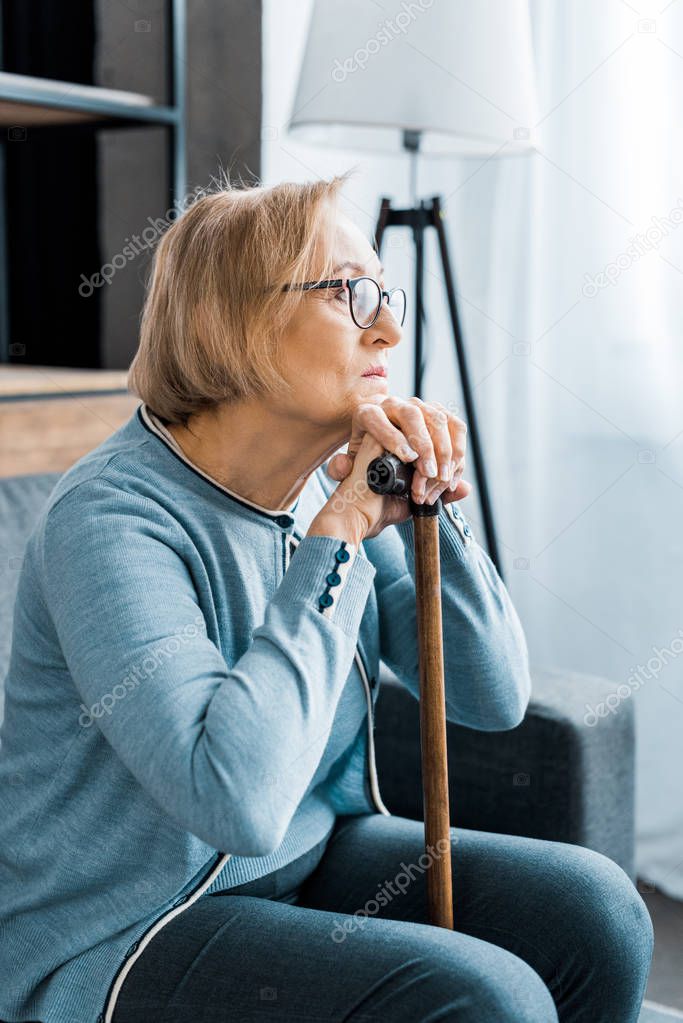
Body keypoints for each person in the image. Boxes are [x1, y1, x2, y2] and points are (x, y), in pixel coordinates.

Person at [0, 172, 653, 1023]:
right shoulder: (111, 519)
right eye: (350, 293)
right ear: (230, 318)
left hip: (306, 857)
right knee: (484, 998)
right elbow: (233, 800)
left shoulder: (317, 486)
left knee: (596, 913)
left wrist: (431, 507)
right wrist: (339, 536)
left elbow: (490, 697)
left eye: (385, 293)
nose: (386, 324)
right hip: (122, 933)